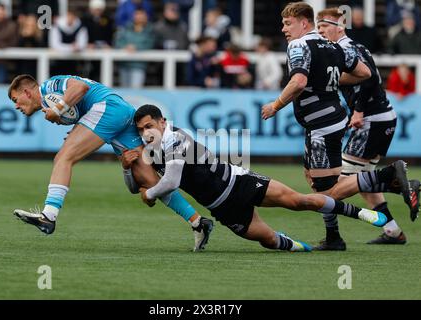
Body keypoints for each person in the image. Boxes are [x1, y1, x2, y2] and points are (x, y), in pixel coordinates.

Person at [125, 104, 394, 253]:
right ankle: (302, 247)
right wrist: (128, 168)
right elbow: (133, 185)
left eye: (150, 126)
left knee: (299, 201)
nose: (146, 132)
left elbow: (169, 183)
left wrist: (148, 195)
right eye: (141, 129)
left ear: (162, 122)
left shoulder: (176, 139)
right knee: (269, 241)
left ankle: (359, 213)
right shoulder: (149, 147)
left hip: (238, 182)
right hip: (222, 207)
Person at [261, 2, 419, 250]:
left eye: (287, 23)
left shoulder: (299, 45)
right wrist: (326, 79)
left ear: (304, 23)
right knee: (315, 180)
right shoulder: (335, 47)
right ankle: (346, 233)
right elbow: (365, 72)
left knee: (327, 193)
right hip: (330, 119)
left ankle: (387, 179)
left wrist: (276, 105)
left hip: (324, 123)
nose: (283, 29)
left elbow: (299, 81)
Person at [7, 74, 213, 252]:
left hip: (109, 110)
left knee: (63, 158)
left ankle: (49, 216)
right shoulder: (47, 103)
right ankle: (197, 222)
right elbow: (81, 104)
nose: (16, 106)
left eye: (16, 99)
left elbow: (80, 87)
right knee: (148, 180)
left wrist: (59, 109)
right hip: (119, 115)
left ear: (27, 92)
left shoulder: (49, 87)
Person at [317, 7, 418, 244]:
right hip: (381, 118)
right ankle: (393, 231)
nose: (320, 31)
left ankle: (398, 180)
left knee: (337, 189)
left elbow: (370, 77)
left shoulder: (345, 48)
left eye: (324, 27)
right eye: (318, 27)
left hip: (372, 120)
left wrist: (359, 110)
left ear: (339, 27)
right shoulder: (354, 46)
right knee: (363, 181)